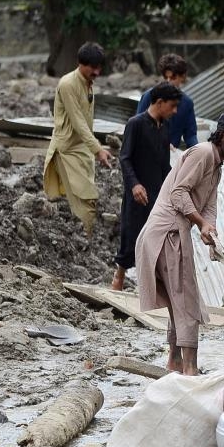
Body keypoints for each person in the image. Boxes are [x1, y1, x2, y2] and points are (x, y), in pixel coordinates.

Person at [136, 109, 224, 375]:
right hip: (167, 233)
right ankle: (189, 369)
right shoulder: (202, 153)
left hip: (173, 233)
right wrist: (200, 223)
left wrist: (209, 232)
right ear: (222, 135)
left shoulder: (217, 167)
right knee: (187, 302)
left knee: (180, 301)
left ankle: (175, 362)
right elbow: (179, 193)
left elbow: (209, 205)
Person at [111, 82, 182, 291]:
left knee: (156, 238)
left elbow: (164, 164)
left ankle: (150, 287)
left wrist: (174, 186)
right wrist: (134, 185)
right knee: (130, 234)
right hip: (137, 193)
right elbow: (125, 158)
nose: (175, 111)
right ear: (159, 103)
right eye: (172, 106)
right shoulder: (136, 124)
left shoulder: (165, 128)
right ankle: (119, 277)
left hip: (157, 192)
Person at [43, 41, 114, 236]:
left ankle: (85, 240)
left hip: (82, 149)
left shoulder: (88, 84)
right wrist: (98, 149)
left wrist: (94, 149)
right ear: (80, 64)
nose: (97, 72)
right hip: (67, 151)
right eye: (93, 67)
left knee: (86, 199)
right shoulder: (68, 84)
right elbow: (78, 122)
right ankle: (85, 242)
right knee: (85, 201)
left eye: (99, 68)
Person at [136, 53, 199, 148]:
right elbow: (137, 129)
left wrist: (197, 151)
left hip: (172, 154)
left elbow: (190, 135)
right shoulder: (149, 96)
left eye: (173, 78)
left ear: (182, 77)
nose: (169, 82)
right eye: (166, 78)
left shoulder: (187, 103)